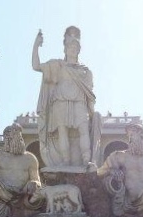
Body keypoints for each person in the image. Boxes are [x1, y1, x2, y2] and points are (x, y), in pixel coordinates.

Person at [31, 26, 100, 170]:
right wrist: (36, 46)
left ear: (79, 50)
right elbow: (36, 66)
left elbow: (89, 95)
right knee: (62, 131)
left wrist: (93, 113)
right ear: (65, 49)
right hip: (60, 101)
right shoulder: (57, 65)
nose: (73, 48)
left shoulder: (86, 71)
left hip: (80, 101)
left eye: (76, 46)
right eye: (70, 46)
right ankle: (66, 161)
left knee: (83, 129)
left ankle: (87, 160)